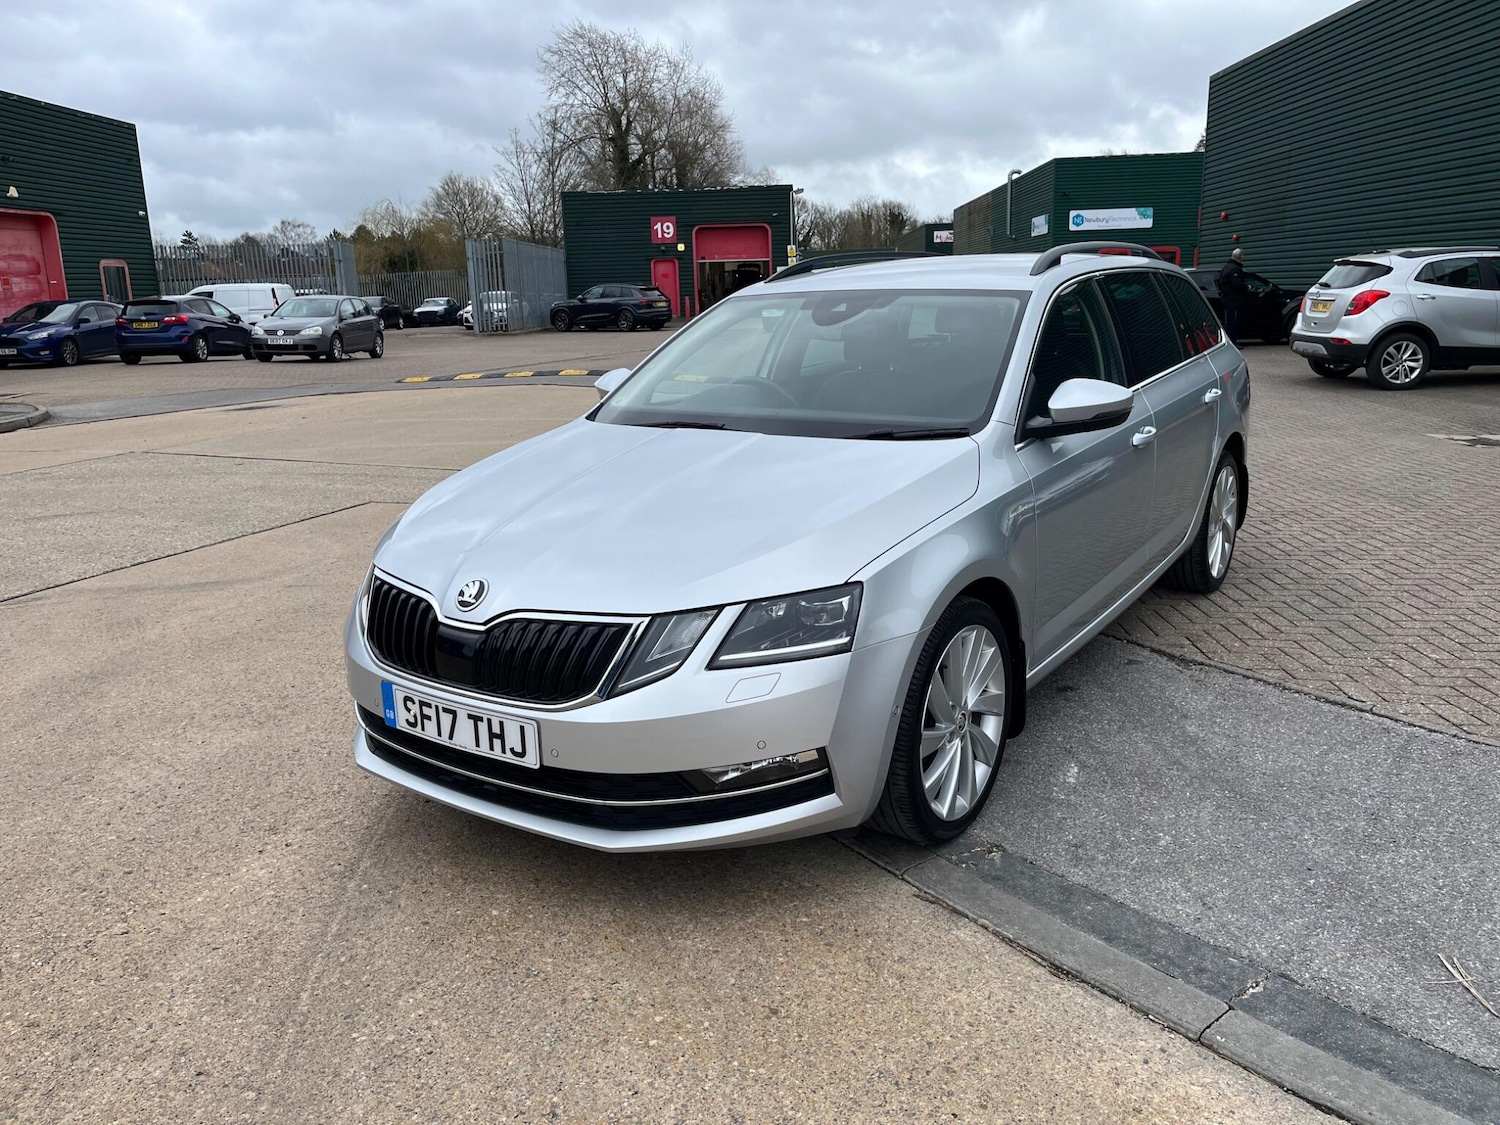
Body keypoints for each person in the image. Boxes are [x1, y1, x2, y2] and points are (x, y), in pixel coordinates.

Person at [1217, 248, 1249, 344]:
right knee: (1232, 322)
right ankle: (1232, 342)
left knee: (1228, 321)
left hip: (1227, 299)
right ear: (1239, 257)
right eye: (1242, 255)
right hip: (1232, 300)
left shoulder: (1226, 267)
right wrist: (1247, 287)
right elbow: (1237, 283)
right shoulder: (1235, 269)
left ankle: (1231, 341)